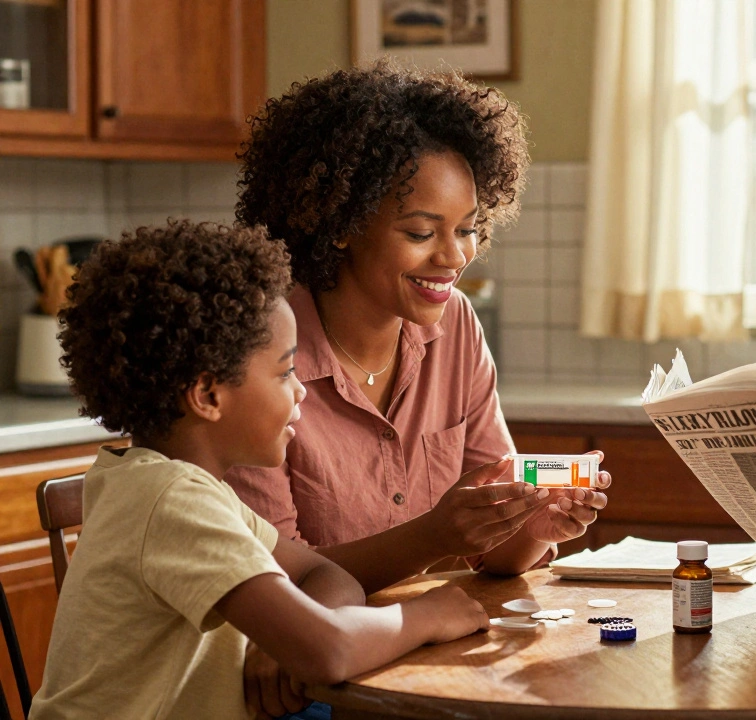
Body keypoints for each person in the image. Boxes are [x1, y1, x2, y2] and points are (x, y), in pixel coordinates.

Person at [226, 64, 611, 715]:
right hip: (296, 684)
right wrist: (436, 535)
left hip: (421, 666)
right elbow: (285, 591)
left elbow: (495, 546)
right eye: (420, 233)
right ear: (340, 222)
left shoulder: (455, 327)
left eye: (467, 230)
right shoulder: (262, 351)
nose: (455, 258)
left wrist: (532, 523)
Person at [31, 221, 490, 719]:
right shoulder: (170, 502)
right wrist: (426, 615)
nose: (300, 391)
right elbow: (329, 651)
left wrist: (298, 635)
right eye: (285, 371)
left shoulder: (179, 486)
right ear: (208, 395)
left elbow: (326, 574)